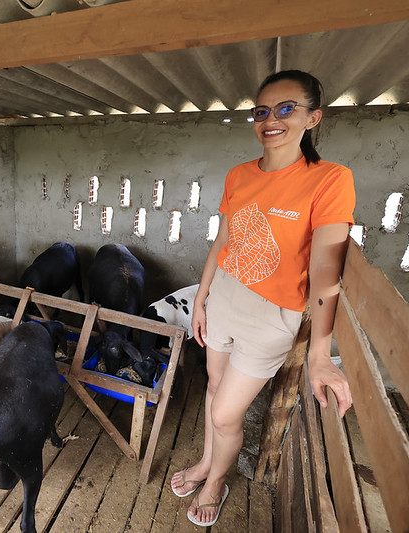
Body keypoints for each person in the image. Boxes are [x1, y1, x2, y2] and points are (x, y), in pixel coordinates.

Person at [171, 69, 355, 527]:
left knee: (225, 414)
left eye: (286, 108)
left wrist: (320, 353)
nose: (271, 119)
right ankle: (205, 463)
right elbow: (223, 242)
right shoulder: (239, 175)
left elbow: (326, 270)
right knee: (214, 389)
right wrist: (201, 299)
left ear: (313, 118)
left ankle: (216, 481)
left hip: (272, 317)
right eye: (262, 111)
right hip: (223, 298)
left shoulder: (330, 180)